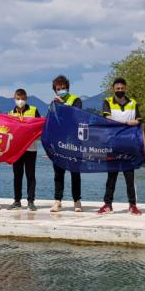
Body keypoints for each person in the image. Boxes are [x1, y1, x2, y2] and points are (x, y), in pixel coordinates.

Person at [97, 77, 145, 216]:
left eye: (122, 88)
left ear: (126, 88)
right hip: (112, 145)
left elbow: (139, 122)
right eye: (117, 88)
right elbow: (108, 120)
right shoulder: (107, 102)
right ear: (113, 89)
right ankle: (108, 205)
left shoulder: (133, 103)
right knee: (111, 177)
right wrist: (127, 122)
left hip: (129, 145)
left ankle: (132, 205)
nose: (120, 90)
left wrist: (144, 146)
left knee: (129, 178)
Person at [50, 75, 83, 213]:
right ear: (55, 90)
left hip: (74, 142)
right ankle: (58, 201)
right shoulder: (53, 103)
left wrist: (62, 104)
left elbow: (76, 116)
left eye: (63, 88)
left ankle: (77, 201)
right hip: (58, 143)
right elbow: (51, 121)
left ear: (67, 88)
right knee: (58, 173)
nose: (61, 90)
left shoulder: (76, 100)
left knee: (75, 172)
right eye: (58, 89)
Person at [7, 89, 41, 211]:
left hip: (31, 149)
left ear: (26, 98)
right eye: (17, 98)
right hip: (17, 150)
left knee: (30, 175)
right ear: (14, 98)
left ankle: (31, 201)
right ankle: (17, 201)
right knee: (17, 175)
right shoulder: (11, 113)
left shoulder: (33, 110)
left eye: (22, 98)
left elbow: (39, 126)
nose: (20, 100)